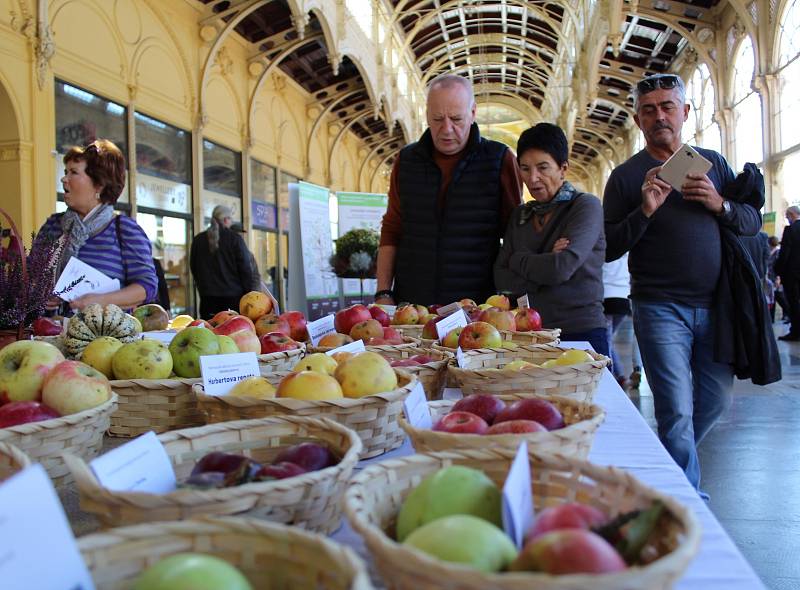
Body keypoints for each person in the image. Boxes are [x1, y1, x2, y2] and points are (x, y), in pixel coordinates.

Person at [603, 73, 761, 495]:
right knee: (675, 409)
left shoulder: (713, 163)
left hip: (717, 305)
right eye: (649, 110)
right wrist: (645, 211)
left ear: (685, 112)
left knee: (715, 402)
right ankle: (685, 497)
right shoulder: (624, 176)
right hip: (658, 307)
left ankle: (666, 467)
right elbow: (609, 246)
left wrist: (719, 203)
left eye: (668, 106)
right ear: (638, 120)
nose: (660, 117)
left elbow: (749, 224)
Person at [375, 74, 522, 306]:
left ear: (473, 113)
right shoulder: (406, 161)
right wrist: (383, 292)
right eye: (437, 119)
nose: (447, 129)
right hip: (413, 306)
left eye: (456, 118)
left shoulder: (499, 159)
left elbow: (515, 236)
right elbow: (392, 228)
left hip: (477, 308)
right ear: (426, 115)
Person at [494, 123, 608, 356]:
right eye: (525, 169)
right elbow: (502, 279)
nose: (533, 178)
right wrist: (545, 262)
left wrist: (517, 259)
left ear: (563, 168)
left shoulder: (585, 207)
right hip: (529, 336)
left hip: (580, 332)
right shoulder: (521, 215)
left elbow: (560, 269)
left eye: (543, 167)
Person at [35, 139, 157, 311]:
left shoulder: (125, 230)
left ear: (99, 184)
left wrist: (102, 300)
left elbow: (147, 288)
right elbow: (29, 276)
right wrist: (38, 293)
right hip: (48, 334)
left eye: (73, 172)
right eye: (65, 172)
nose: (64, 179)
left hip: (106, 335)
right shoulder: (53, 226)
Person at [190, 206, 256, 319]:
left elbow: (194, 267)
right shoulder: (235, 239)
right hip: (233, 300)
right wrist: (248, 293)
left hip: (207, 300)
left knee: (209, 332)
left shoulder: (198, 240)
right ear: (226, 220)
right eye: (230, 219)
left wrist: (203, 288)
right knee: (232, 334)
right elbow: (245, 269)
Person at [230, 222, 279, 313]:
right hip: (233, 298)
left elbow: (255, 277)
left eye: (242, 235)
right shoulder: (227, 255)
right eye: (238, 234)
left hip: (247, 301)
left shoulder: (247, 254)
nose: (241, 237)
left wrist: (254, 297)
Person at [602, 253, 632, 386]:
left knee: (607, 339)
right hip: (623, 298)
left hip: (606, 297)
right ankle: (619, 374)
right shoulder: (626, 253)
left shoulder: (604, 251)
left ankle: (618, 375)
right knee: (608, 339)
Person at [776, 206, 800, 340]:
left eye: (787, 216)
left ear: (791, 215)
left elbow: (785, 253)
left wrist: (777, 270)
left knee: (793, 302)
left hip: (792, 274)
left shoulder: (791, 230)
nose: (787, 219)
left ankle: (796, 331)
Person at [768, 235, 789, 322]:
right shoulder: (769, 252)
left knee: (780, 297)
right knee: (773, 298)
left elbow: (780, 266)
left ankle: (788, 314)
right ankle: (771, 318)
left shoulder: (778, 252)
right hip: (770, 278)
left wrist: (778, 278)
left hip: (776, 278)